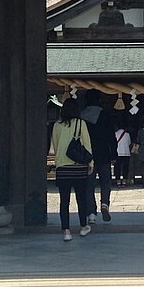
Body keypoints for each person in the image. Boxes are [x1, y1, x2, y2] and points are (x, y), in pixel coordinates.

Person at [50, 98, 93, 241]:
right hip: (78, 167)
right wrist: (91, 163)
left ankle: (66, 231)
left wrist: (59, 160)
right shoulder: (81, 124)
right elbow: (87, 144)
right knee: (81, 198)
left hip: (62, 167)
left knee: (64, 200)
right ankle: (82, 226)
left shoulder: (56, 125)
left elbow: (55, 146)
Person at [80, 89, 117, 222]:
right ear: (99, 100)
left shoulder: (81, 117)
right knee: (106, 182)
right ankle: (105, 204)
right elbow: (111, 137)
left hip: (87, 156)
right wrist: (114, 153)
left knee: (89, 185)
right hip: (104, 154)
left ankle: (91, 214)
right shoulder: (105, 115)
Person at [114, 120, 132, 187]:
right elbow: (129, 143)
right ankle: (124, 181)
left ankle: (118, 181)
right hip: (126, 153)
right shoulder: (127, 134)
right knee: (125, 167)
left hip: (118, 153)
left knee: (117, 168)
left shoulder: (115, 134)